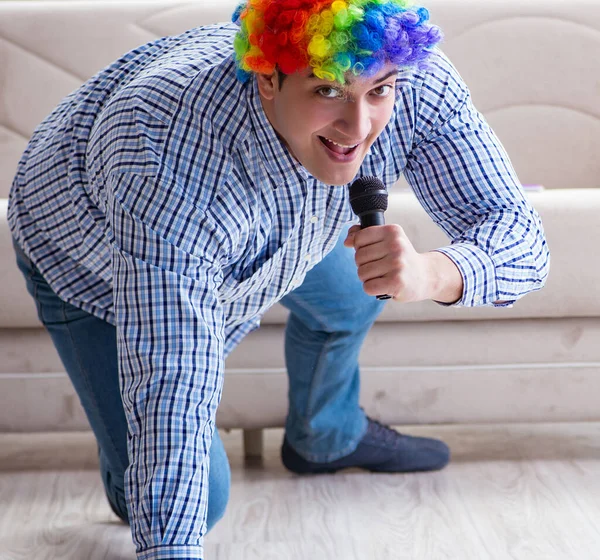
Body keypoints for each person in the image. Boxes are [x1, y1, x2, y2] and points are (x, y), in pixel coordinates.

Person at [8, 0, 549, 557]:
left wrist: (435, 271)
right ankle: (124, 466)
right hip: (88, 260)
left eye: (378, 91)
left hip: (291, 226)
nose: (358, 128)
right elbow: (172, 387)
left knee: (354, 295)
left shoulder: (411, 74)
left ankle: (326, 436)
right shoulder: (163, 155)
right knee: (197, 500)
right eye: (328, 91)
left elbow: (520, 237)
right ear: (269, 79)